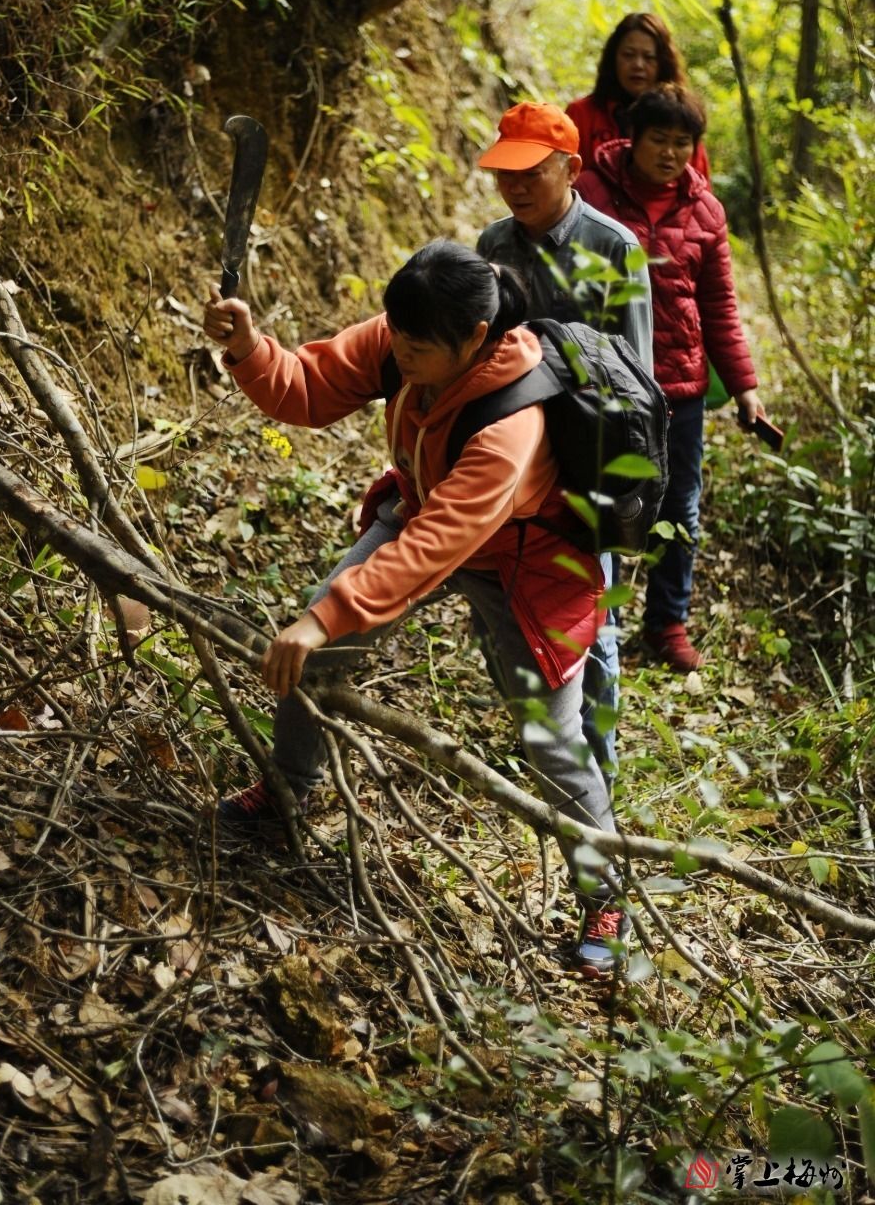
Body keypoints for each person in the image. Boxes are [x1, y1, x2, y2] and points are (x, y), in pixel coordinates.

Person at [203, 241, 631, 976]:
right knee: (320, 647)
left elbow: (432, 549)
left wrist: (321, 618)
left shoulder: (511, 426)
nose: (399, 353)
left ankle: (605, 897)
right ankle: (285, 793)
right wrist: (248, 348)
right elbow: (308, 386)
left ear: (476, 337)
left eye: (419, 346)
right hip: (424, 503)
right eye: (395, 335)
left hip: (525, 563)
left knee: (551, 739)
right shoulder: (405, 336)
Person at [475, 100, 654, 780]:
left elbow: (636, 377)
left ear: (572, 169)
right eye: (506, 174)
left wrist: (624, 488)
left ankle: (596, 774)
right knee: (505, 607)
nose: (516, 187)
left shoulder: (614, 248)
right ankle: (543, 745)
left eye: (532, 173)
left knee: (590, 621)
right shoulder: (494, 245)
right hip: (511, 460)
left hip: (586, 461)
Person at [576, 83, 765, 672]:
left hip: (678, 388)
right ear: (633, 137)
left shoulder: (706, 211)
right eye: (660, 139)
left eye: (683, 143)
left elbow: (719, 306)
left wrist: (745, 387)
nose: (670, 153)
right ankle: (593, 617)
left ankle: (667, 622)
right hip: (603, 379)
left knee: (678, 506)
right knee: (597, 498)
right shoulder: (592, 192)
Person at [567, 12, 711, 180]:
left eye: (649, 57)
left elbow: (699, 186)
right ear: (613, 58)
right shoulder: (582, 114)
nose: (638, 65)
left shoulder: (683, 119)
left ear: (663, 63)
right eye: (628, 55)